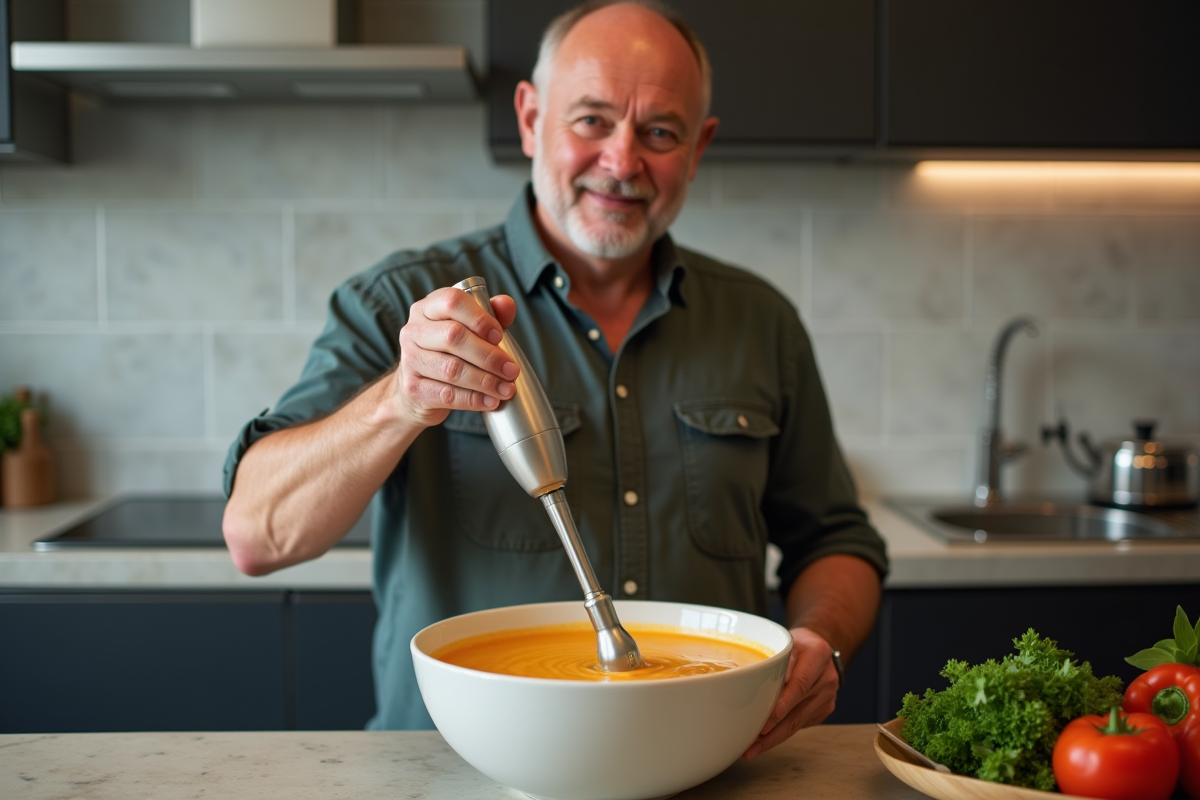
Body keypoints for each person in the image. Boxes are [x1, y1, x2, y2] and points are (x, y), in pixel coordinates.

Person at [222, 0, 888, 758]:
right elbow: (257, 536)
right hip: (457, 772)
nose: (622, 162)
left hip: (702, 765)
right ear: (531, 118)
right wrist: (401, 399)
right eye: (592, 120)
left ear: (698, 147)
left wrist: (823, 641)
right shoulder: (398, 306)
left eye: (659, 132)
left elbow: (836, 540)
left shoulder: (761, 322)